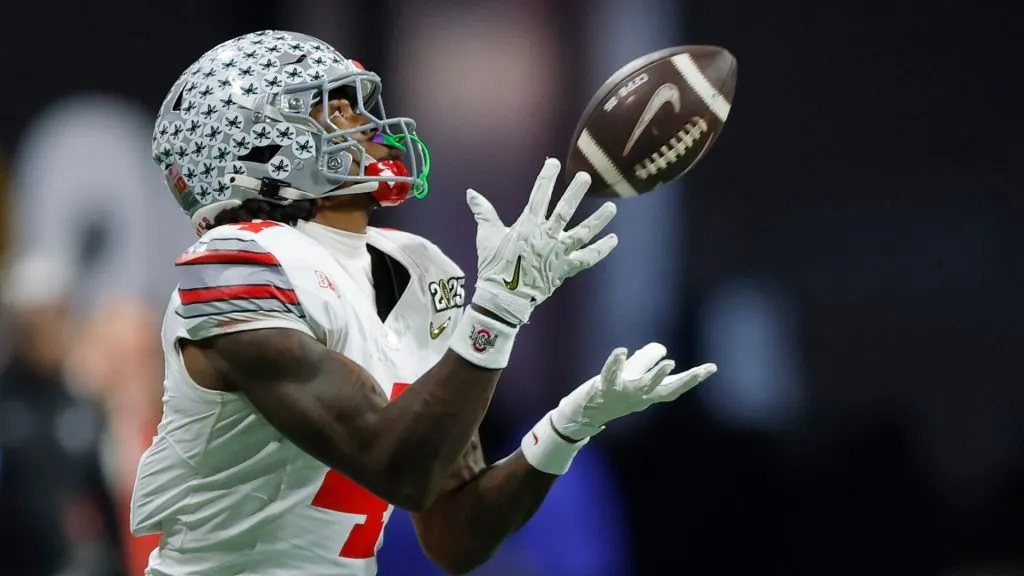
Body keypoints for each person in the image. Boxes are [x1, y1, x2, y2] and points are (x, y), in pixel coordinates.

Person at [131, 30, 717, 576]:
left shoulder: (415, 266)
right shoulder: (236, 263)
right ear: (255, 150)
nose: (368, 125)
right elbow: (397, 469)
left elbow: (453, 534)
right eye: (334, 110)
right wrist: (498, 311)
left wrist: (568, 427)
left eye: (358, 105)